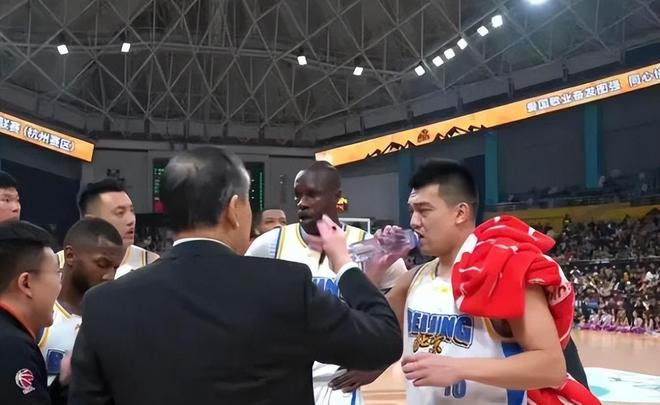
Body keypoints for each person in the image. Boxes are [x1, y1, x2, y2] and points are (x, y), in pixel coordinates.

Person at [68, 146, 402, 405]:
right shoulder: (286, 286)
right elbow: (383, 342)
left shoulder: (104, 304)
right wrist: (345, 265)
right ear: (233, 209)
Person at [341, 159, 596, 404]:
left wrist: (459, 369)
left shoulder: (503, 272)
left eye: (424, 210)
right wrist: (375, 271)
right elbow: (364, 334)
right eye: (412, 211)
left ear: (460, 213)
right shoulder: (414, 278)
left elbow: (550, 367)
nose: (413, 222)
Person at [246, 161, 408, 405]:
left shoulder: (368, 246)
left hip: (337, 385)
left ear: (336, 196)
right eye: (298, 195)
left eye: (312, 194)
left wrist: (379, 364)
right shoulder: (269, 245)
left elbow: (401, 309)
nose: (302, 202)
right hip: (283, 378)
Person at [38, 218, 124, 392]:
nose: (110, 276)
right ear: (70, 256)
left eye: (115, 268)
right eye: (102, 264)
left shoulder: (116, 318)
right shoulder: (39, 313)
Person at [0, 221, 63, 404]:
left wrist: (62, 384)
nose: (60, 285)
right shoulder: (13, 348)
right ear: (26, 283)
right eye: (57, 273)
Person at [56, 178, 158, 278]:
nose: (131, 220)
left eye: (132, 211)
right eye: (120, 213)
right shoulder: (56, 266)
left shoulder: (152, 264)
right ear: (91, 221)